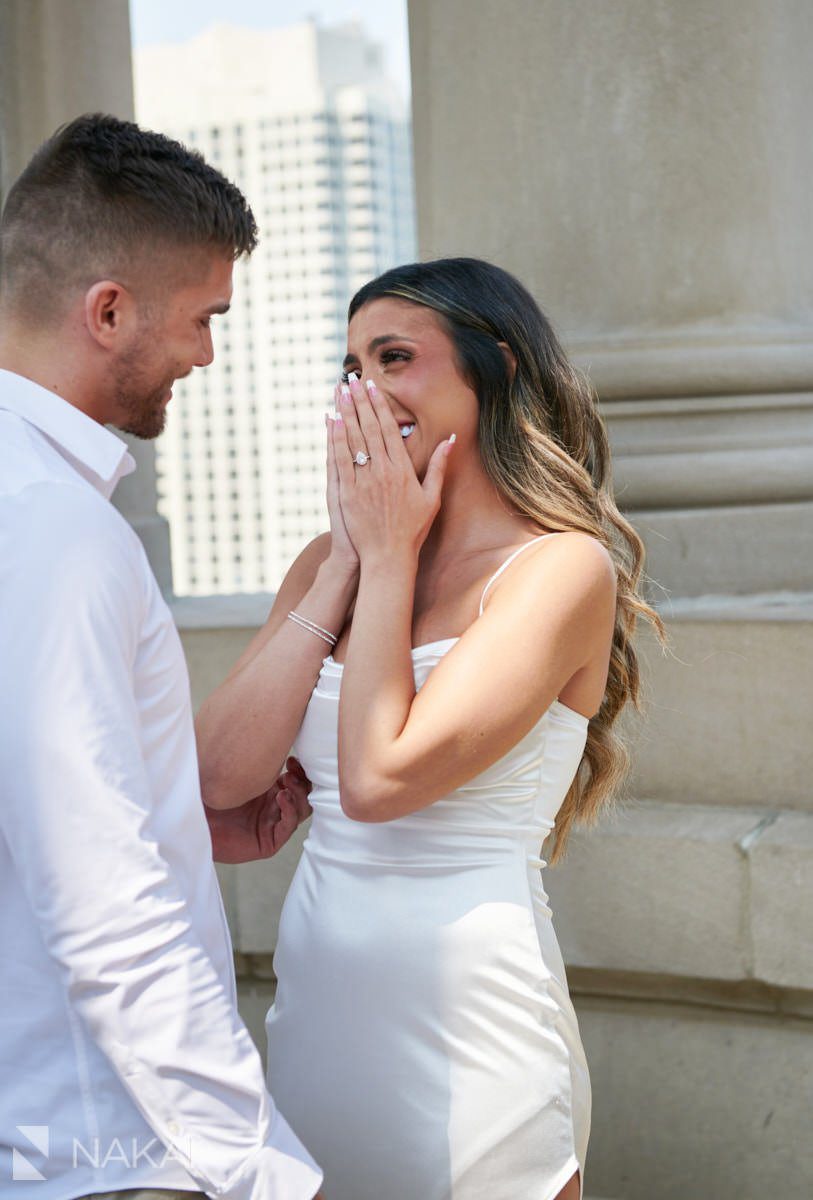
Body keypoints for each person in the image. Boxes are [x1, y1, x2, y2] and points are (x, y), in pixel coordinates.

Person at [199, 257, 665, 1200]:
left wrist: (386, 554)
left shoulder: (559, 570)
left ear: (491, 368)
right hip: (320, 1002)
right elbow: (219, 776)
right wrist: (345, 570)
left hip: (470, 1017)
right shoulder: (331, 564)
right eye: (351, 366)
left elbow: (378, 782)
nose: (365, 390)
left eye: (395, 357)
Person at [0, 114, 329, 1200]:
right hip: (99, 1151)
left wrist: (169, 810)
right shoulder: (52, 524)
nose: (206, 355)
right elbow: (105, 904)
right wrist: (261, 1171)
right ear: (108, 312)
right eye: (202, 319)